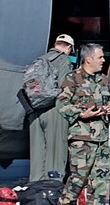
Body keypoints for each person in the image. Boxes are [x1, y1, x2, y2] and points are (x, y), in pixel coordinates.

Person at [53, 43, 110, 205]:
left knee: (101, 177)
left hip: (101, 136)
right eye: (100, 57)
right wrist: (82, 114)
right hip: (82, 137)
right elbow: (61, 105)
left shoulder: (103, 80)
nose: (103, 60)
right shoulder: (73, 78)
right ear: (88, 59)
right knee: (79, 177)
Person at [26, 34, 74, 182]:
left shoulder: (40, 60)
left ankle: (35, 191)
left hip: (35, 111)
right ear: (69, 47)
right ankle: (52, 189)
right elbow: (65, 88)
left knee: (37, 157)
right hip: (54, 111)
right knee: (55, 155)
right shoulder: (63, 59)